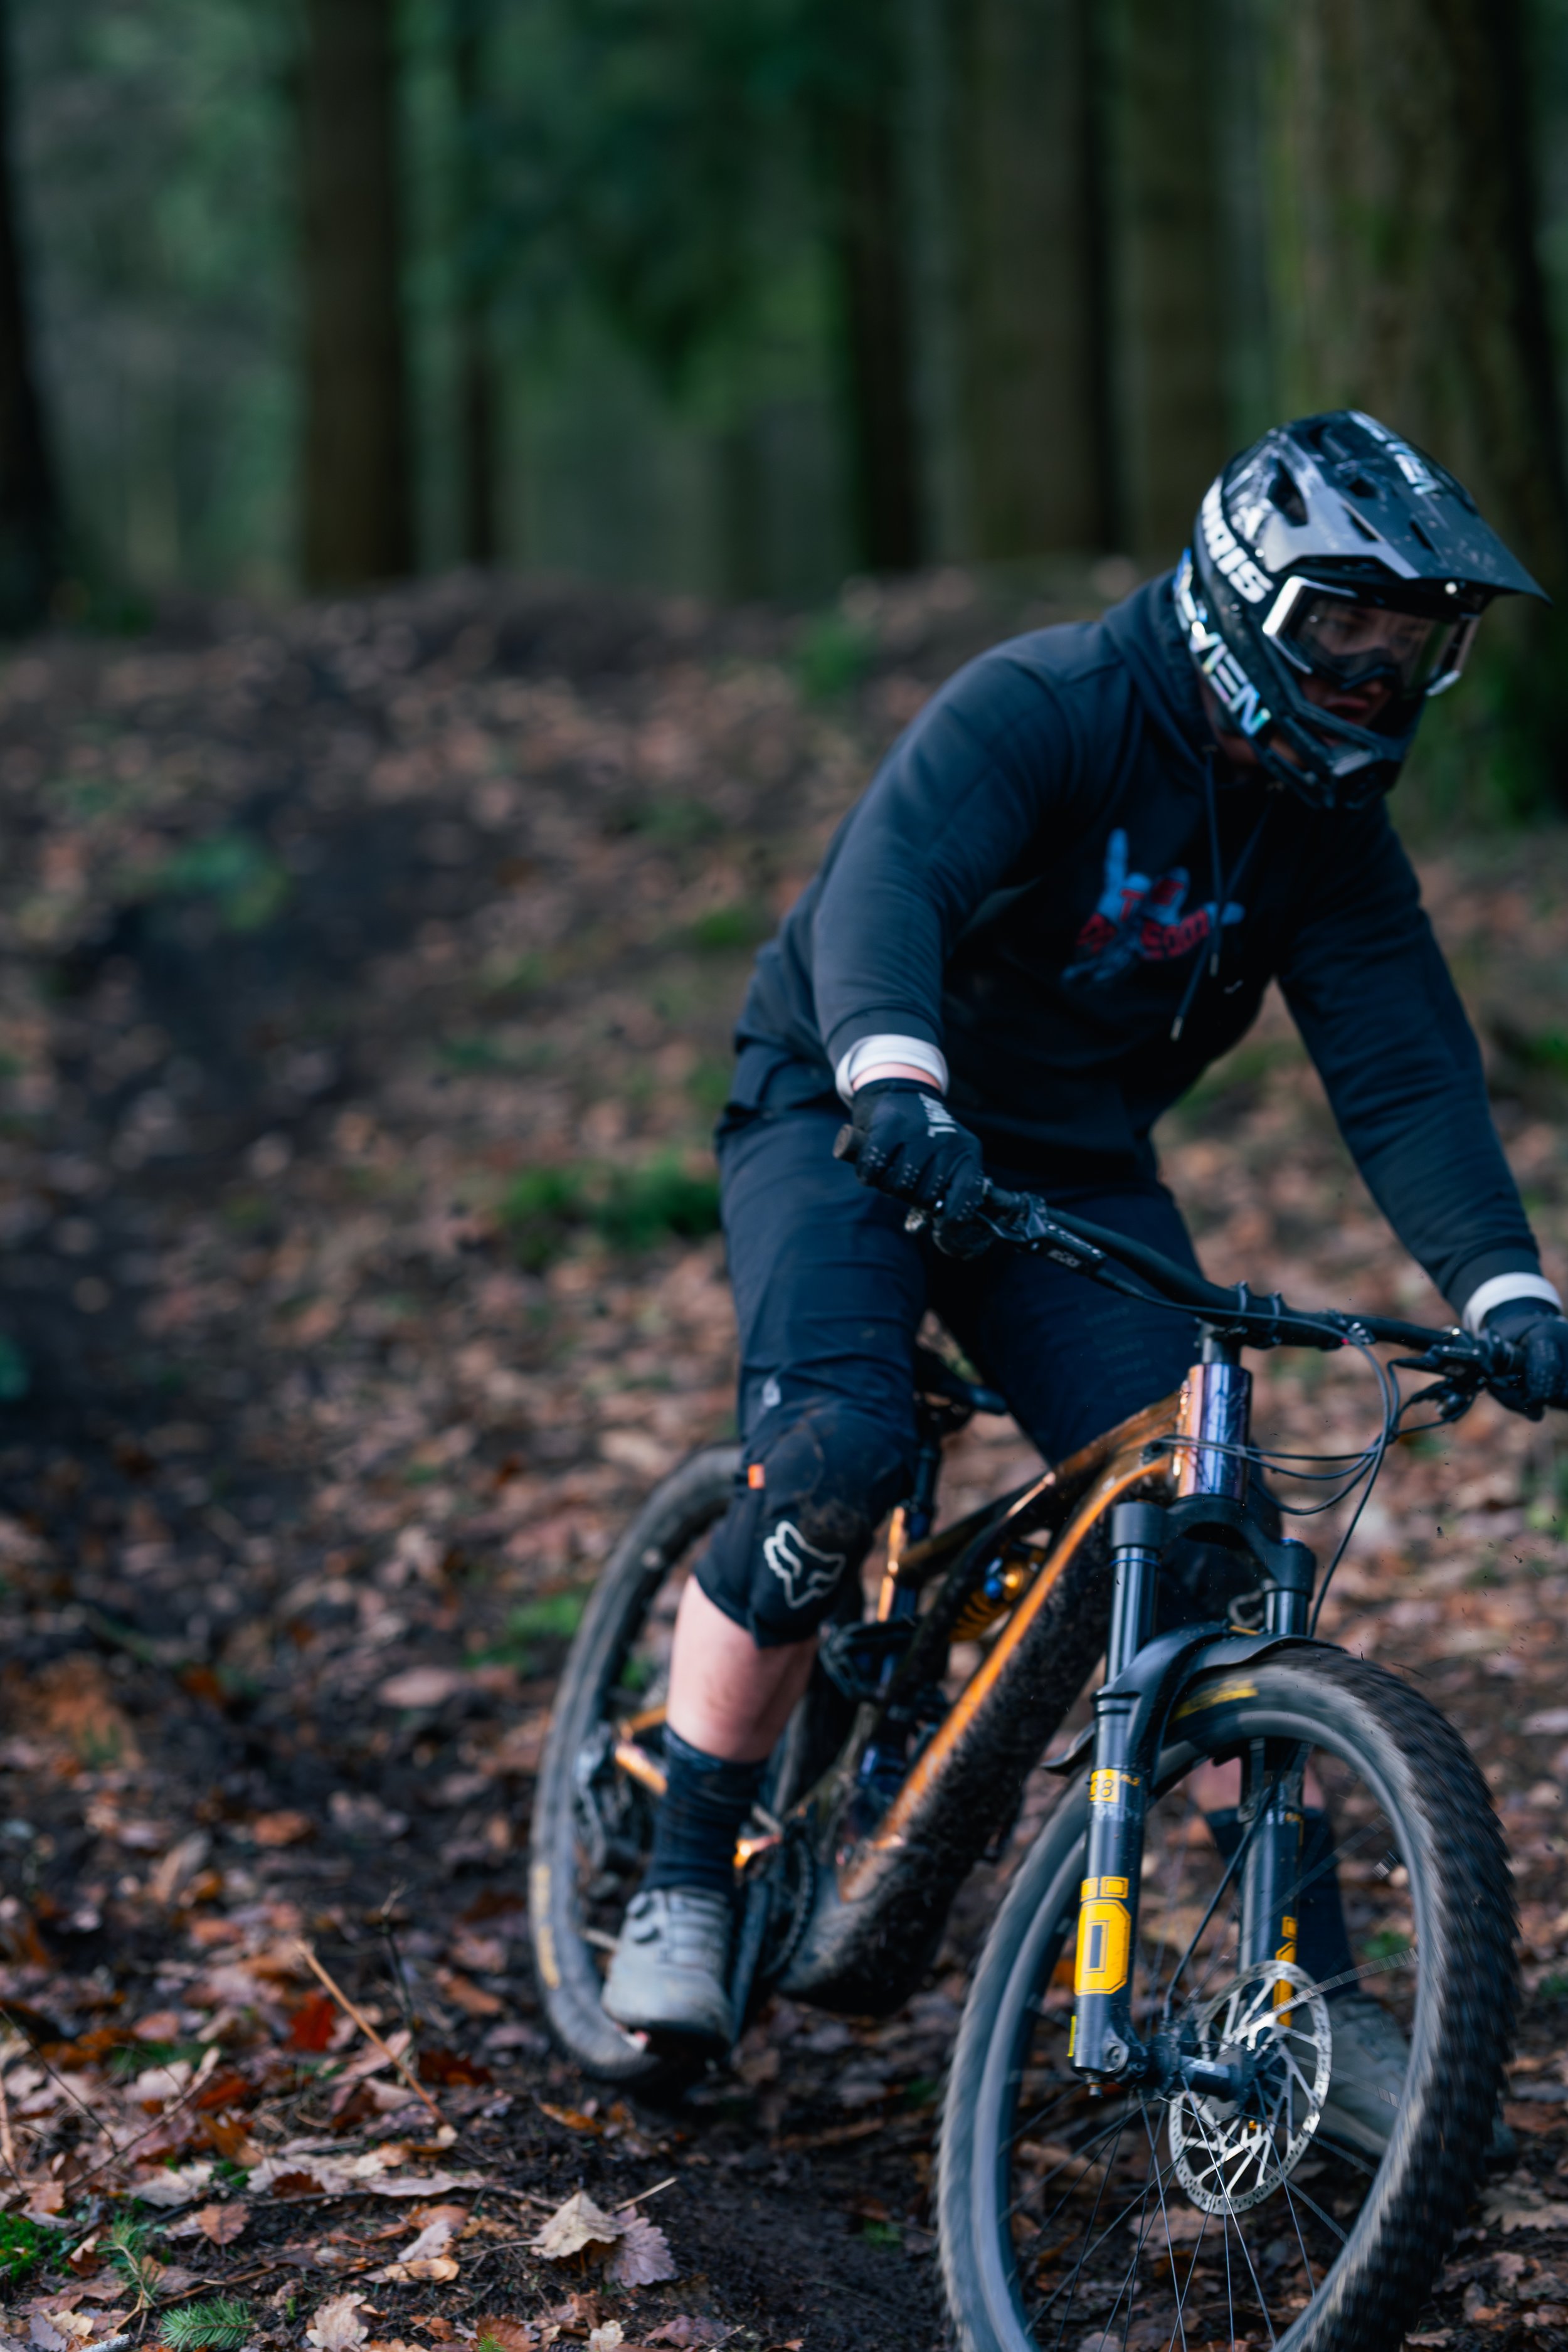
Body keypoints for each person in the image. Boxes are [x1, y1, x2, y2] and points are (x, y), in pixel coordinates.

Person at [601, 410, 1568, 2149]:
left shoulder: (1321, 832)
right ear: (1238, 600)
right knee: (835, 1451)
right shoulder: (1048, 705)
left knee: (1205, 1514)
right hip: (844, 1102)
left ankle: (1304, 1993)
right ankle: (681, 1871)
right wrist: (893, 1071)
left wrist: (1501, 1286)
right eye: (1339, 636)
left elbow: (1404, 1067)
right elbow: (885, 881)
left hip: (1057, 1167)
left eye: (1403, 649)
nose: (1367, 679)